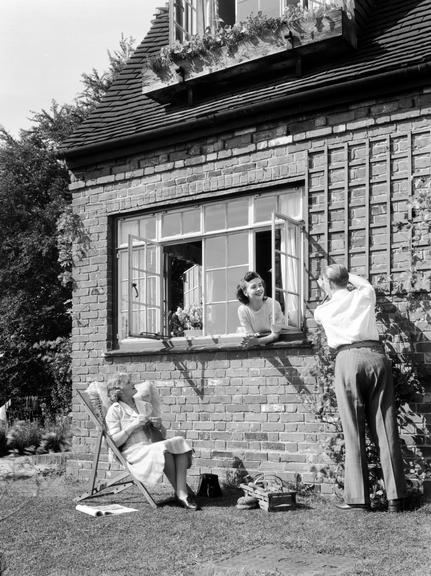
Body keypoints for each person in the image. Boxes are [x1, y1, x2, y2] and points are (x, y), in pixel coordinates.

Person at [314, 264, 406, 512]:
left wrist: (330, 285)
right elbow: (363, 284)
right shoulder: (363, 293)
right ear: (347, 280)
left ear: (326, 282)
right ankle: (395, 498)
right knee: (385, 426)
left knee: (353, 428)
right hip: (376, 356)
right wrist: (343, 277)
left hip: (346, 360)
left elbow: (328, 296)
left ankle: (358, 499)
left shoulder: (321, 311)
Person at [105, 372, 200, 511]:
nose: (133, 384)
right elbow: (114, 443)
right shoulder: (114, 411)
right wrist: (133, 425)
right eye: (128, 382)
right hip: (133, 452)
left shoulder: (144, 406)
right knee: (163, 450)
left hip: (150, 446)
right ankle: (183, 494)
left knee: (178, 441)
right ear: (119, 390)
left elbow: (161, 435)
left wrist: (159, 426)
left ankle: (181, 492)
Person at [236, 271, 287, 348]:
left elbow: (275, 335)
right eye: (254, 287)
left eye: (260, 285)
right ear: (245, 292)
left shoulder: (273, 304)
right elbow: (250, 336)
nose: (259, 289)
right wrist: (252, 340)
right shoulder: (242, 310)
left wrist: (257, 341)